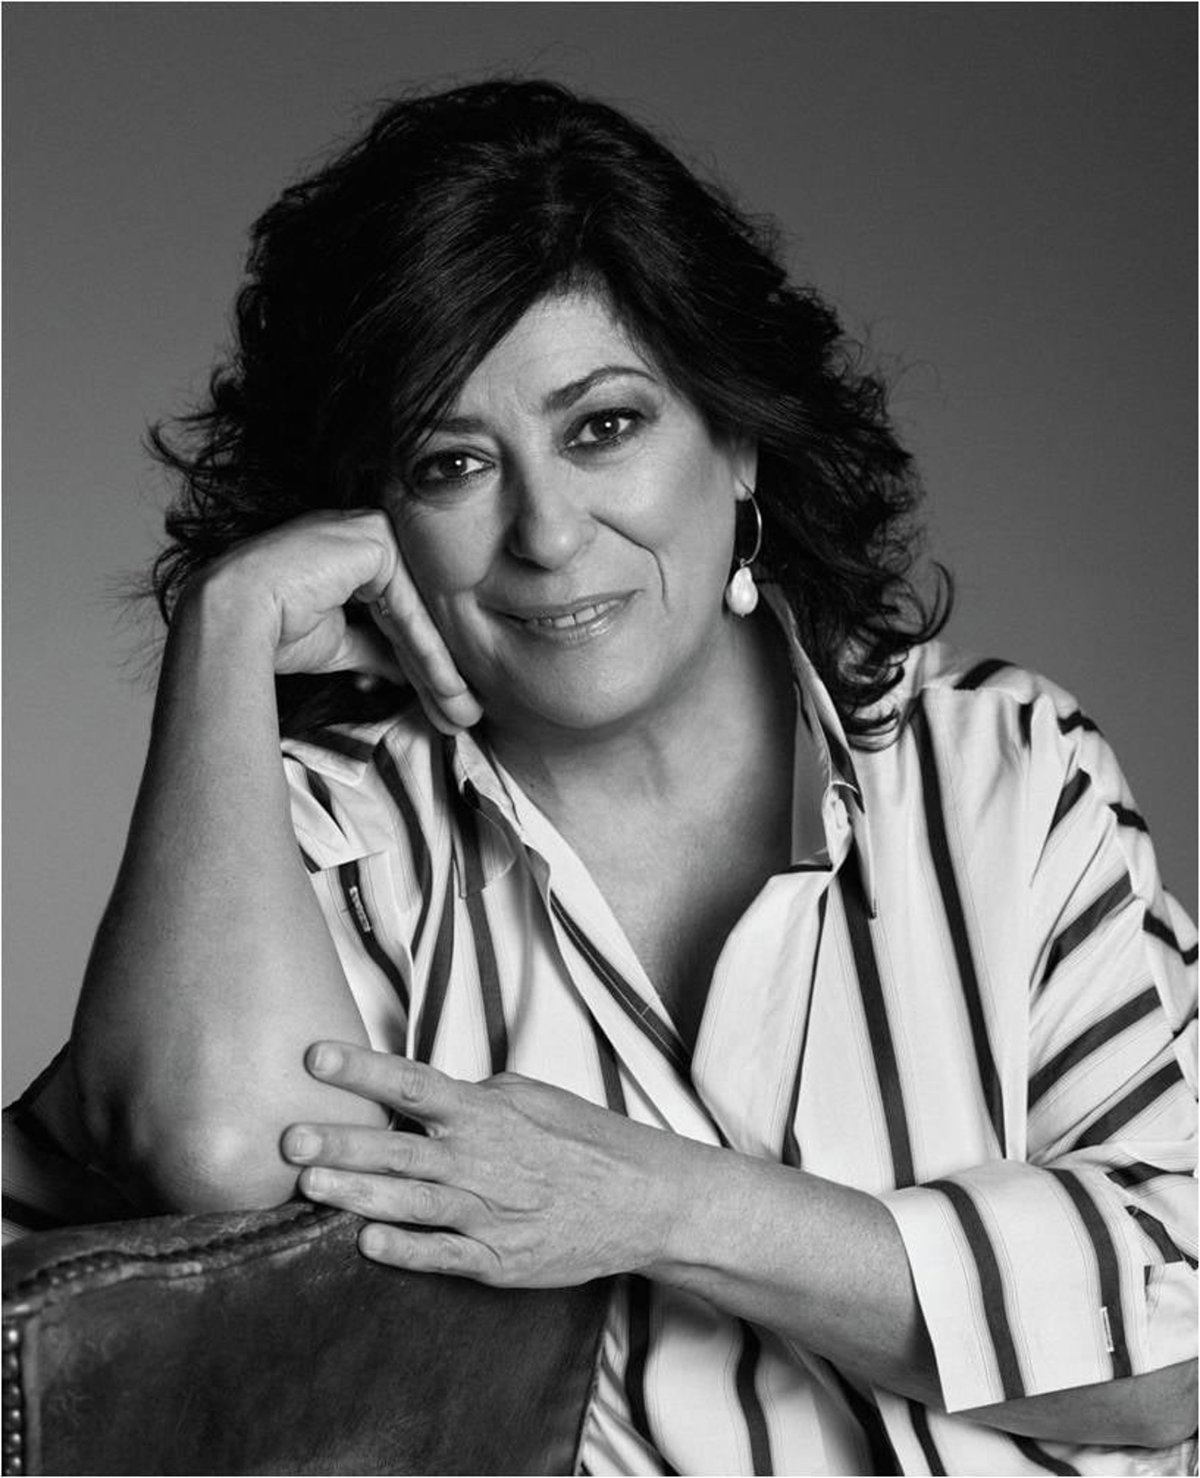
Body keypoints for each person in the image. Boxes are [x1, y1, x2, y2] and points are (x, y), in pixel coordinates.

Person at [5, 80, 1195, 1476]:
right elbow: (216, 1150)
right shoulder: (321, 843)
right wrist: (225, 633)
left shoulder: (1000, 770)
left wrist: (660, 1207)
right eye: (451, 463)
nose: (548, 534)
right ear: (373, 519)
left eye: (602, 428)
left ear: (736, 434)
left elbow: (1170, 1346)